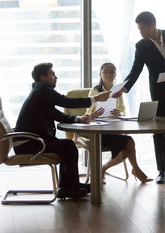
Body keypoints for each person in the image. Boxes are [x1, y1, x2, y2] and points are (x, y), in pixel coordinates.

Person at [113, 11, 165, 184]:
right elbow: (136, 70)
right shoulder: (141, 46)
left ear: (152, 25)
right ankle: (162, 171)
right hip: (160, 94)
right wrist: (124, 88)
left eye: (142, 28)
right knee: (159, 132)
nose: (140, 32)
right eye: (138, 28)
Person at [13, 62, 110, 199]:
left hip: (28, 141)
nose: (56, 77)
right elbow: (66, 102)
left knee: (68, 145)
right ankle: (70, 187)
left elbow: (55, 114)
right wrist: (96, 98)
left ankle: (68, 187)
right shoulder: (43, 91)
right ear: (43, 77)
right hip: (28, 143)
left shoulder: (39, 91)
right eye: (52, 74)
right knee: (68, 147)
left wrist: (78, 119)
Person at [85, 62, 152, 184]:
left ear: (115, 75)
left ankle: (104, 169)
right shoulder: (95, 90)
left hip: (114, 127)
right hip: (98, 129)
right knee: (128, 144)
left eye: (112, 72)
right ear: (100, 74)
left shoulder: (118, 91)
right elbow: (87, 113)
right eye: (106, 72)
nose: (109, 74)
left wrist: (118, 113)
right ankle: (136, 170)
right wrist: (93, 115)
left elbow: (123, 110)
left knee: (126, 149)